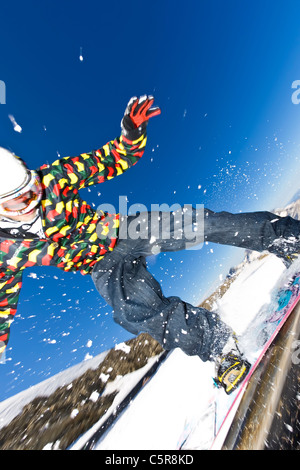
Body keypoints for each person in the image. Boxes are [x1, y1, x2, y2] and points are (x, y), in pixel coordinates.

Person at [0, 95, 299, 394]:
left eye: (32, 186)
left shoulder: (53, 178)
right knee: (136, 311)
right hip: (103, 267)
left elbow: (112, 159)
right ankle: (220, 348)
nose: (35, 196)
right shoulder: (6, 251)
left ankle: (287, 238)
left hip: (124, 230)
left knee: (201, 224)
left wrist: (131, 133)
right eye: (22, 198)